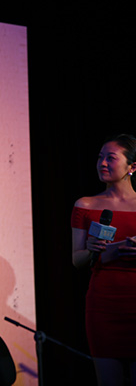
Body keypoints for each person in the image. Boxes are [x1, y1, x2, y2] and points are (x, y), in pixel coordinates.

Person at [71, 133, 136, 386]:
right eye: (100, 158)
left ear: (132, 167)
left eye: (111, 158)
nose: (103, 163)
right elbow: (77, 260)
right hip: (104, 306)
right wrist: (91, 250)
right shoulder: (85, 205)